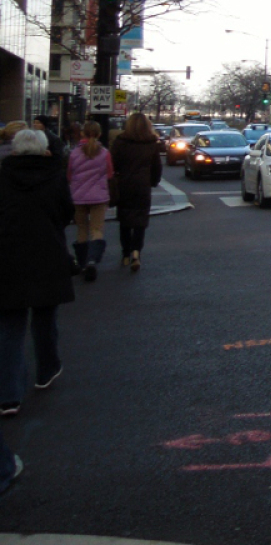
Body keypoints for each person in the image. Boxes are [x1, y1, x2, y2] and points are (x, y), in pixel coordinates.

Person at [0, 129, 75, 419]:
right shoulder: (55, 177)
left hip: (8, 256)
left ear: (15, 151)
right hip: (47, 254)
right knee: (45, 319)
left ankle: (8, 394)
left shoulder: (3, 177)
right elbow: (65, 213)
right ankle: (46, 369)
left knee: (10, 328)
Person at [109, 112, 163, 272]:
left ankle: (125, 253)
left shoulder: (120, 142)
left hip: (124, 184)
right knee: (140, 221)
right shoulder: (151, 143)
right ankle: (136, 252)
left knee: (125, 221)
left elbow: (113, 164)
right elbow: (156, 167)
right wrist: (153, 181)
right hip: (142, 185)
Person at [67, 120, 114, 283]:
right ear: (99, 134)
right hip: (99, 196)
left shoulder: (74, 154)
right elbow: (109, 174)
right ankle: (92, 260)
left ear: (82, 134)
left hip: (78, 197)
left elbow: (69, 176)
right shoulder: (104, 153)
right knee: (96, 229)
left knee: (81, 229)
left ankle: (81, 263)